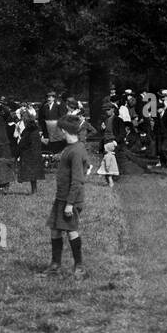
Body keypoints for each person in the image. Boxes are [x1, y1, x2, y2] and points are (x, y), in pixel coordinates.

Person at [46, 114, 93, 279]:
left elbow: (78, 180)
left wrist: (70, 204)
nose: (61, 134)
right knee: (55, 230)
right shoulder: (71, 148)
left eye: (62, 131)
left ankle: (80, 267)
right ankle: (55, 266)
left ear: (66, 131)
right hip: (62, 198)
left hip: (70, 200)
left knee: (71, 231)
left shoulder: (77, 151)